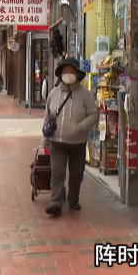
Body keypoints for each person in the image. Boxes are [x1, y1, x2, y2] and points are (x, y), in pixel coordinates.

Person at [42, 58, 98, 217]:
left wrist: (80, 127)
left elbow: (93, 115)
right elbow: (48, 117)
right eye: (65, 71)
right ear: (60, 74)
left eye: (71, 71)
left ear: (77, 74)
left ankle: (73, 199)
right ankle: (55, 203)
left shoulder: (86, 94)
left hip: (78, 142)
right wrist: (45, 139)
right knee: (57, 172)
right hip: (57, 142)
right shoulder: (53, 94)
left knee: (76, 173)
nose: (68, 74)